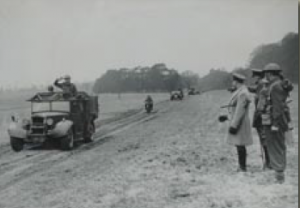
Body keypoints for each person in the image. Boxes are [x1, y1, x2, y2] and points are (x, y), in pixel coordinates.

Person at [263, 63, 293, 183]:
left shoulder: (275, 86)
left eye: (266, 73)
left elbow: (278, 106)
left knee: (276, 146)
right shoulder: (278, 84)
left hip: (276, 121)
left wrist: (275, 124)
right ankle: (279, 174)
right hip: (276, 119)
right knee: (277, 145)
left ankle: (279, 176)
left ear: (269, 74)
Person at [226, 73, 253, 172]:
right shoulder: (240, 91)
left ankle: (242, 167)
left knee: (240, 144)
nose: (232, 83)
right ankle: (241, 166)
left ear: (236, 81)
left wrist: (234, 125)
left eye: (233, 81)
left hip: (240, 121)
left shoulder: (242, 93)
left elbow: (239, 111)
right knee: (239, 144)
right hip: (238, 120)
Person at [248, 69, 271, 170]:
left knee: (264, 138)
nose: (255, 79)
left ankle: (269, 163)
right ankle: (268, 162)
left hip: (261, 114)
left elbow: (260, 98)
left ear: (259, 76)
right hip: (260, 114)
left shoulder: (262, 84)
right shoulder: (261, 84)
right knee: (264, 138)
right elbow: (255, 90)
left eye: (255, 77)